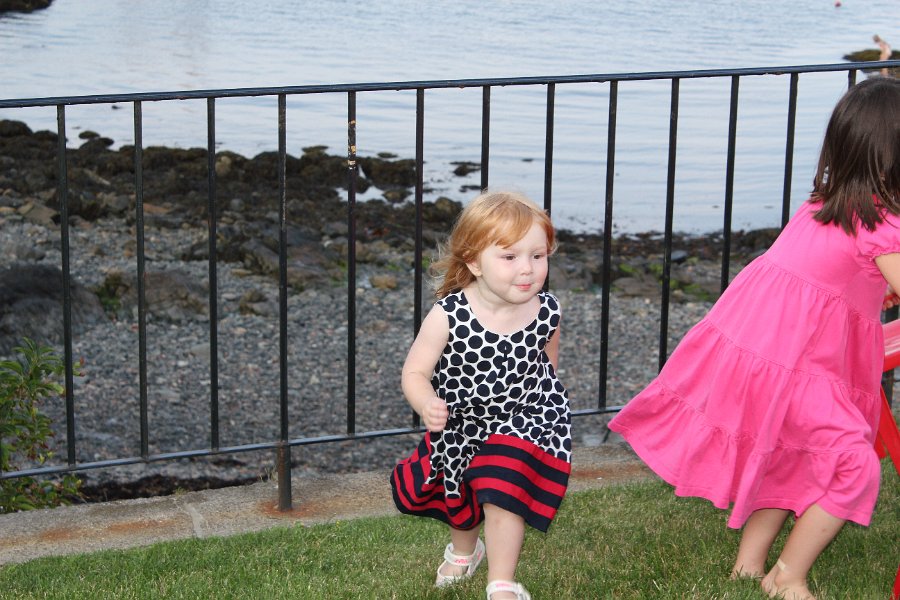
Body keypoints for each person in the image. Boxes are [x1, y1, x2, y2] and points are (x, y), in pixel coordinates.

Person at [608, 76, 900, 600]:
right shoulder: (882, 226)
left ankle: (748, 567)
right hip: (797, 366)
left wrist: (874, 290)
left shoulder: (821, 207)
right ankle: (787, 576)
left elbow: (826, 280)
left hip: (757, 355)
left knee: (786, 454)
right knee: (854, 465)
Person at [390, 190, 572, 600]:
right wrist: (426, 402)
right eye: (509, 257)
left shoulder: (547, 310)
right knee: (460, 494)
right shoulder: (449, 314)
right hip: (463, 422)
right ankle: (464, 550)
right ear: (474, 262)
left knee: (503, 490)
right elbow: (415, 371)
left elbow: (548, 366)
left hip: (525, 418)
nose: (527, 269)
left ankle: (501, 582)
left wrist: (543, 411)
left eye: (537, 256)